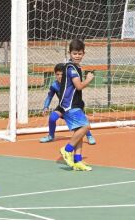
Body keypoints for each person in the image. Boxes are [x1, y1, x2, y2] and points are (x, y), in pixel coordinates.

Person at [59, 39, 95, 171]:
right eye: (75, 53)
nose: (77, 56)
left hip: (74, 104)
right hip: (70, 104)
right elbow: (79, 86)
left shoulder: (76, 67)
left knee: (78, 133)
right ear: (70, 53)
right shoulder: (71, 67)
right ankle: (67, 149)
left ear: (83, 54)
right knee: (86, 126)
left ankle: (77, 160)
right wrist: (88, 80)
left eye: (80, 54)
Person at [40, 63, 96, 145]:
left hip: (73, 105)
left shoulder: (71, 83)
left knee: (81, 123)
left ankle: (89, 135)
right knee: (52, 118)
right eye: (57, 74)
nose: (60, 76)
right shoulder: (54, 85)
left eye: (62, 74)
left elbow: (79, 86)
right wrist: (46, 107)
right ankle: (51, 136)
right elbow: (49, 97)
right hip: (63, 106)